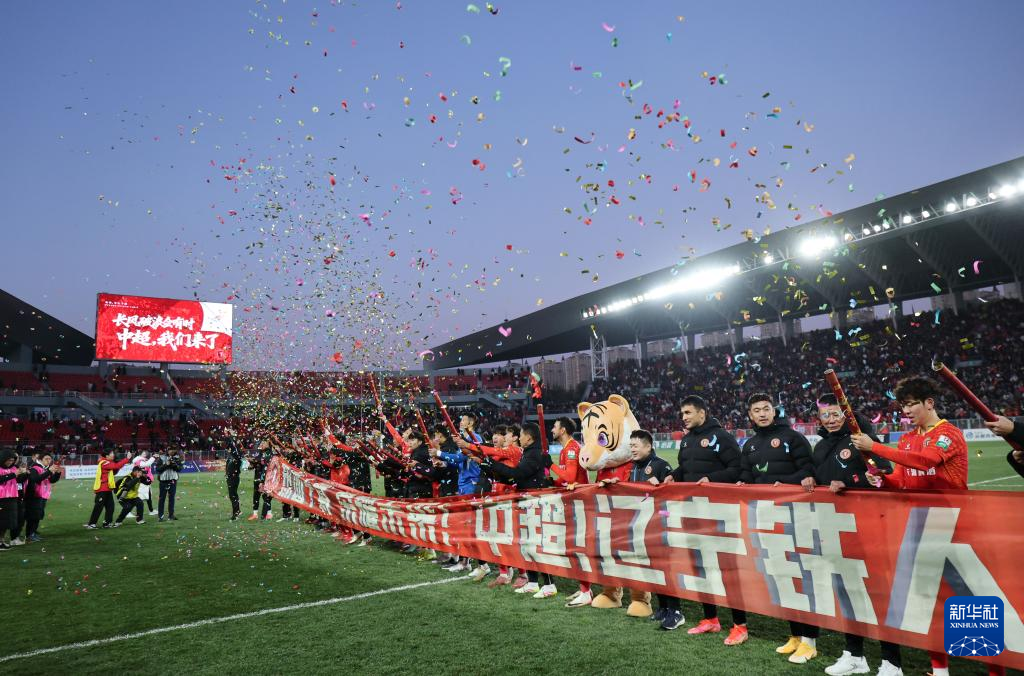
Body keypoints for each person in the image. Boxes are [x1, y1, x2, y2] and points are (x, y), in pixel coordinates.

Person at [850, 376, 978, 676]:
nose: (906, 411)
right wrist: (882, 479)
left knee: (971, 600)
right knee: (929, 599)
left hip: (956, 526)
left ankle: (994, 670)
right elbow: (903, 480)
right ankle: (940, 670)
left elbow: (924, 461)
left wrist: (874, 447)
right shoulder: (907, 438)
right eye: (903, 406)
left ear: (929, 403)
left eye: (911, 405)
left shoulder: (948, 433)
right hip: (920, 526)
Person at [810, 394, 902, 676]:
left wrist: (851, 482)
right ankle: (855, 655)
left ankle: (892, 662)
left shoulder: (862, 439)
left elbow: (884, 473)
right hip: (836, 527)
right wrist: (810, 479)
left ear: (846, 413)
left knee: (878, 593)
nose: (830, 419)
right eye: (825, 415)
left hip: (869, 526)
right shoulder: (821, 446)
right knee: (846, 591)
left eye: (836, 414)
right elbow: (821, 479)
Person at [662, 395, 747, 645]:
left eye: (688, 413)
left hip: (719, 513)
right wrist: (674, 475)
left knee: (727, 569)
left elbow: (738, 469)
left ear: (702, 413)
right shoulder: (687, 440)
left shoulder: (721, 437)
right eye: (682, 413)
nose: (684, 417)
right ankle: (711, 619)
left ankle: (740, 625)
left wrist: (712, 479)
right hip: (693, 511)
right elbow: (687, 469)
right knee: (700, 566)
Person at [738, 392, 816, 664]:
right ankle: (795, 635)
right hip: (766, 517)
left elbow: (809, 471)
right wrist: (741, 483)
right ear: (750, 415)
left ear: (774, 411)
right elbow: (747, 475)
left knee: (802, 577)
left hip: (795, 515)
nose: (762, 413)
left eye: (766, 408)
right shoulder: (749, 445)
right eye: (756, 410)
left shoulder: (793, 438)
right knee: (783, 576)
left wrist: (784, 484)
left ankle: (810, 641)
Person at [482, 421, 556, 598]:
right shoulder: (529, 453)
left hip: (534, 505)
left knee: (536, 545)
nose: (519, 438)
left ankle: (549, 585)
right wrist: (489, 467)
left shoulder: (533, 455)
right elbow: (515, 478)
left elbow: (517, 474)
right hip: (526, 504)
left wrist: (492, 463)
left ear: (529, 438)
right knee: (527, 544)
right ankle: (533, 582)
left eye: (521, 435)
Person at [626, 430, 678, 629]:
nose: (632, 449)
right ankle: (663, 607)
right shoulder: (633, 468)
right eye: (631, 446)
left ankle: (675, 610)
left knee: (665, 568)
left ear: (648, 446)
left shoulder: (661, 465)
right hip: (642, 525)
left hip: (659, 526)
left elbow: (672, 495)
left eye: (635, 445)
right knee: (653, 568)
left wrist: (659, 489)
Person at [86, 448, 133, 529]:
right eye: (111, 453)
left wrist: (119, 465)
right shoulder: (104, 462)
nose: (113, 454)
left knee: (110, 507)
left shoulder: (107, 462)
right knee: (98, 507)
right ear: (107, 456)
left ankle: (107, 523)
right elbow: (116, 466)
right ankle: (91, 524)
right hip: (102, 489)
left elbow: (115, 469)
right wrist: (127, 459)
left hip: (107, 488)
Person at [24, 451, 61, 542]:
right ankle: (29, 535)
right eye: (46, 459)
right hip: (34, 496)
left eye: (50, 459)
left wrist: (57, 473)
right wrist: (49, 471)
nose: (48, 461)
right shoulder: (34, 468)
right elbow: (36, 479)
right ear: (40, 459)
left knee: (38, 515)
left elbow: (52, 480)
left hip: (43, 495)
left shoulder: (46, 468)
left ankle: (33, 533)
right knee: (34, 516)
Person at [0, 450, 26, 550]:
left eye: (12, 460)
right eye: (9, 460)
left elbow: (19, 481)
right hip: (1, 499)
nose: (10, 462)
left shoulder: (14, 468)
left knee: (7, 523)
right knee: (1, 522)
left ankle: (1, 541)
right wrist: (13, 474)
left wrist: (25, 474)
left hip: (12, 498)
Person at [155, 447, 183, 522]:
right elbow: (157, 469)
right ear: (167, 450)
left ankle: (171, 515)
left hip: (173, 480)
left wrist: (174, 465)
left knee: (172, 498)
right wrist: (166, 465)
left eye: (173, 450)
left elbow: (180, 469)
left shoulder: (177, 458)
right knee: (162, 499)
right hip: (163, 481)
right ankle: (160, 516)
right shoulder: (161, 458)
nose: (172, 451)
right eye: (170, 450)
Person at [248, 445, 273, 521]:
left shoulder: (269, 454)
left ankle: (269, 513)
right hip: (256, 478)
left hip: (264, 479)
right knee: (256, 496)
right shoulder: (259, 453)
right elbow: (253, 466)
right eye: (261, 443)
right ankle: (255, 514)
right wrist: (251, 463)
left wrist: (255, 461)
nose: (261, 445)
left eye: (264, 443)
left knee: (265, 497)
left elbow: (265, 464)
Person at [225, 440, 244, 521]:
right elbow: (228, 466)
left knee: (233, 495)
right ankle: (237, 511)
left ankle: (235, 514)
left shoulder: (237, 457)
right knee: (233, 495)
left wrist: (232, 445)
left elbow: (235, 453)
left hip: (234, 478)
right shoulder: (231, 457)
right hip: (230, 478)